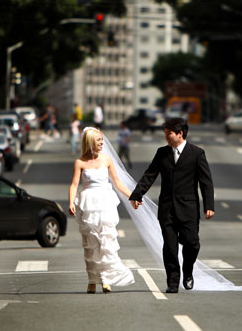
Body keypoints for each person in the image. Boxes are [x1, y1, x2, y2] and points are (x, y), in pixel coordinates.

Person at [129, 118, 214, 293]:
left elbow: (206, 182)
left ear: (180, 133)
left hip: (188, 208)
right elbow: (149, 175)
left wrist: (209, 205)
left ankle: (188, 271)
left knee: (192, 243)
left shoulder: (197, 153)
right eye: (165, 133)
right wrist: (137, 194)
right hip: (167, 209)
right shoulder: (162, 153)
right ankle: (173, 282)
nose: (166, 137)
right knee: (169, 246)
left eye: (169, 133)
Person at [68, 127, 135, 294]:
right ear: (90, 142)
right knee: (91, 243)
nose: (101, 144)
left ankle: (106, 279)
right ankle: (92, 280)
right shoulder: (80, 162)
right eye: (99, 141)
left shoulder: (107, 160)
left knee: (105, 243)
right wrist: (71, 202)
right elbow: (74, 184)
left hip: (105, 204)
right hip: (88, 205)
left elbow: (118, 183)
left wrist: (132, 196)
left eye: (102, 141)